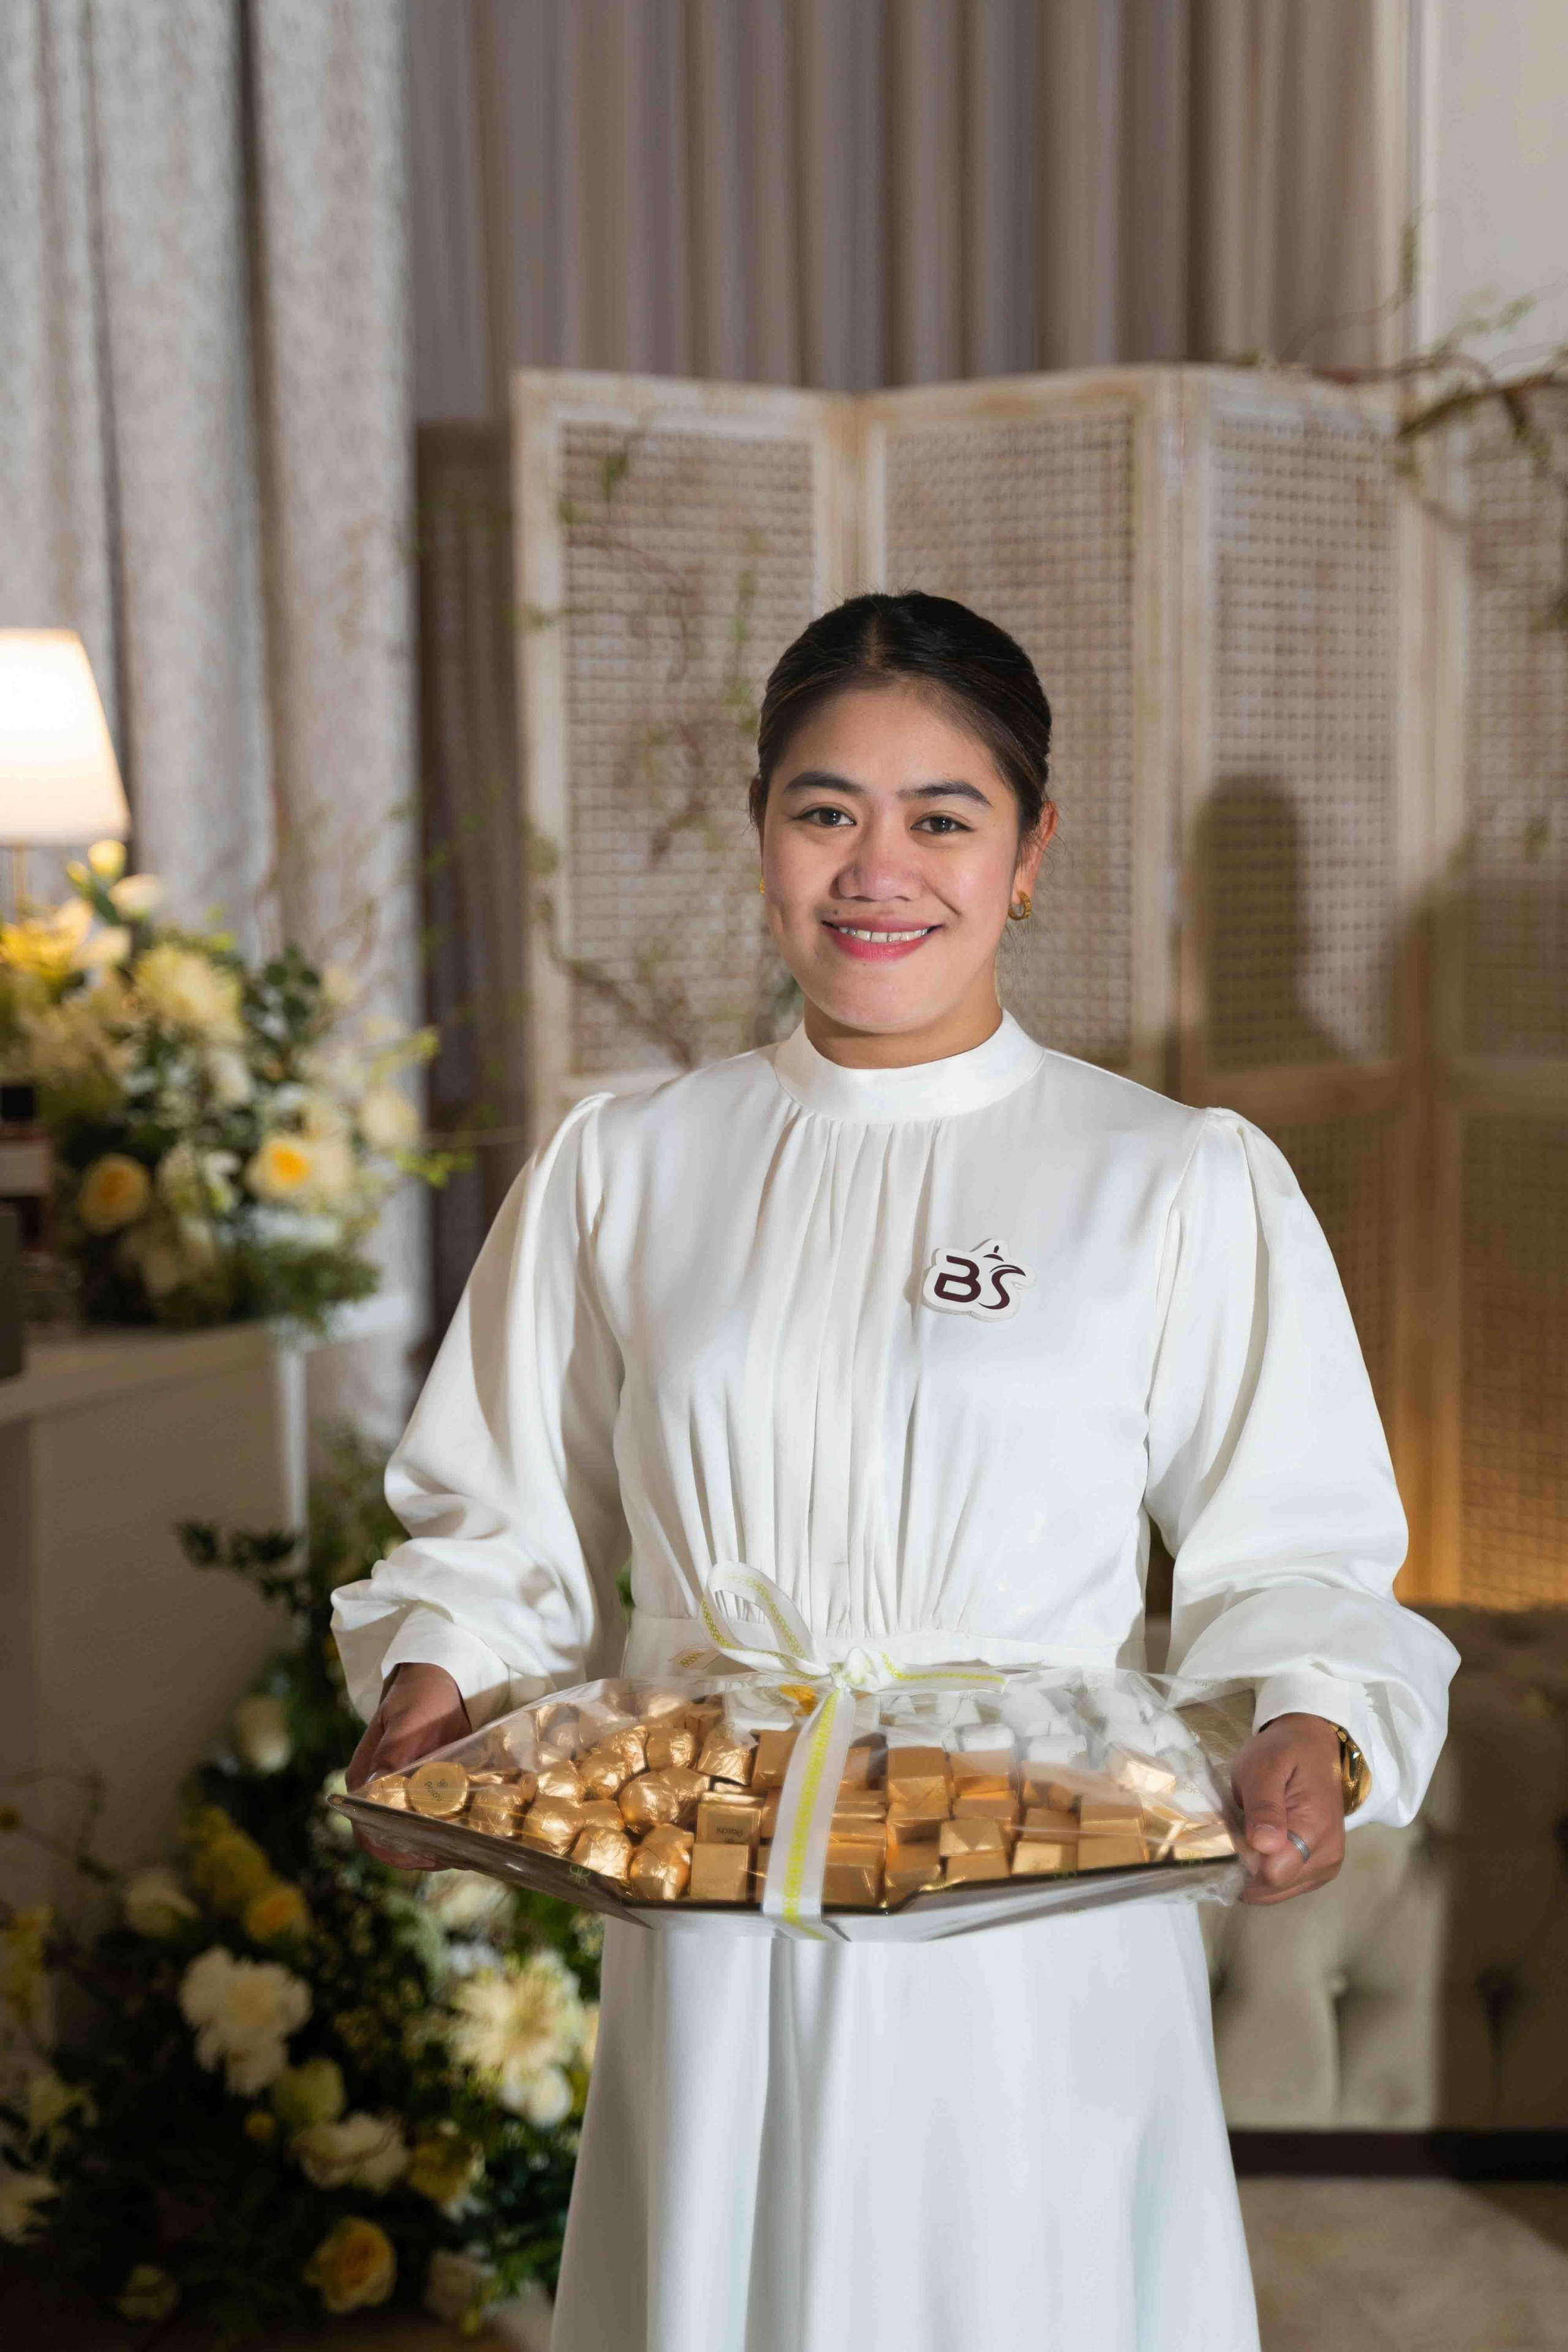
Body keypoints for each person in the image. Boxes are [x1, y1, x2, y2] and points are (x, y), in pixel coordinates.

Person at [332, 592, 1458, 2351]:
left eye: (943, 817)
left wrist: (1309, 1719)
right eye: (825, 811)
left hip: (1039, 1901)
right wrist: (437, 1682)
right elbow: (502, 1513)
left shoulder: (1170, 1176)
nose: (879, 871)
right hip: (710, 1906)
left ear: (1029, 853)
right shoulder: (628, 1163)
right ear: (761, 833)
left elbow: (1295, 1541)